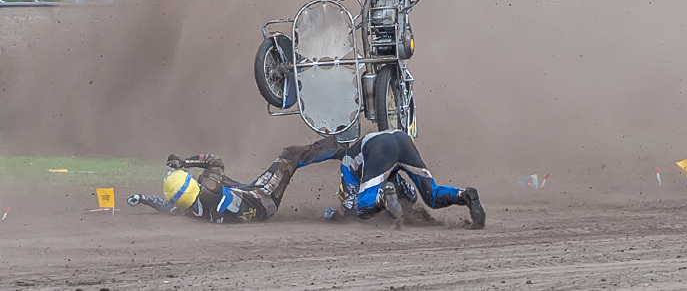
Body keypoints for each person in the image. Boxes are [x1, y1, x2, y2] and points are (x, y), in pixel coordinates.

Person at [126, 136, 345, 223]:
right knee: (290, 155)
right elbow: (216, 161)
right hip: (262, 197)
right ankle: (342, 148)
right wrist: (184, 163)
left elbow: (169, 205)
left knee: (226, 188)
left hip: (250, 205)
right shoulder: (210, 188)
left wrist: (143, 198)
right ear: (190, 185)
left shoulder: (191, 208)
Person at [326, 130, 486, 229]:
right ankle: (465, 195)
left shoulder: (347, 164)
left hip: (379, 147)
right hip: (402, 138)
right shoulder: (387, 175)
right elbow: (411, 197)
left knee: (362, 205)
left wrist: (330, 215)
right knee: (432, 195)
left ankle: (382, 199)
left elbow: (349, 207)